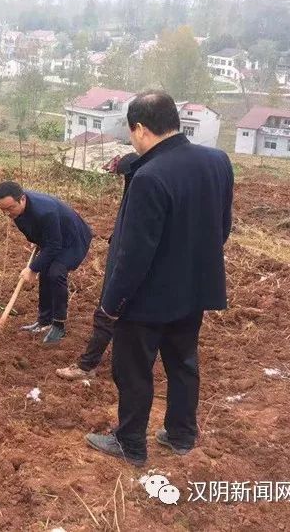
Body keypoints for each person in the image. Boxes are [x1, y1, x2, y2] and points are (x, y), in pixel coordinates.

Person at [85, 91, 233, 467]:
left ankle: (130, 443)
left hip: (148, 299)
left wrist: (111, 302)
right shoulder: (217, 161)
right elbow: (222, 226)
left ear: (139, 128)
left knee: (133, 369)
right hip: (194, 289)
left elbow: (134, 254)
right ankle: (182, 435)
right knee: (183, 363)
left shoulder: (149, 176)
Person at [56, 153, 139, 381]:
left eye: (123, 176)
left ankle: (87, 365)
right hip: (133, 258)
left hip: (128, 261)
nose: (123, 180)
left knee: (107, 311)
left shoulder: (142, 187)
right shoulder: (142, 186)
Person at [0, 182, 93, 344]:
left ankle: (58, 325)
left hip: (73, 240)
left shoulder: (45, 211)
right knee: (45, 272)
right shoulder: (15, 210)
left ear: (23, 199)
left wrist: (32, 269)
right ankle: (44, 320)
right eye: (2, 209)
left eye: (10, 208)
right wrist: (37, 240)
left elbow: (54, 245)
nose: (7, 213)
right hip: (54, 238)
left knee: (55, 273)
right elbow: (38, 233)